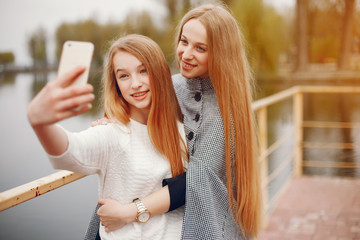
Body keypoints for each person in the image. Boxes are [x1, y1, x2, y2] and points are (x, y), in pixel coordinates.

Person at [87, 3, 263, 240]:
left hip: (202, 225)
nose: (186, 54)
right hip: (156, 221)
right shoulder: (169, 86)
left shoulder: (227, 112)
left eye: (200, 48)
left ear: (220, 53)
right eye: (184, 41)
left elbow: (196, 181)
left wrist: (130, 212)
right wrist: (112, 123)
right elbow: (134, 118)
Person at [27, 34, 188, 240]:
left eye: (143, 70)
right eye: (124, 76)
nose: (136, 84)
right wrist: (41, 124)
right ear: (116, 84)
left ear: (160, 71)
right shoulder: (111, 132)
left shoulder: (182, 130)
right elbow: (71, 151)